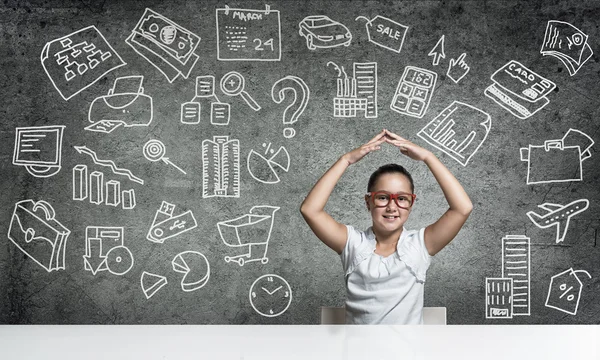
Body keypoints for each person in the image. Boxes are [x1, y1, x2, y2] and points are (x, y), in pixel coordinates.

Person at [300, 129, 473, 324]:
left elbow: (463, 208)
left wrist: (428, 157)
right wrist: (345, 160)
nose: (392, 207)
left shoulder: (420, 245)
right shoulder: (352, 243)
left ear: (411, 204)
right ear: (368, 202)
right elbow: (310, 210)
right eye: (382, 197)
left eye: (401, 199)